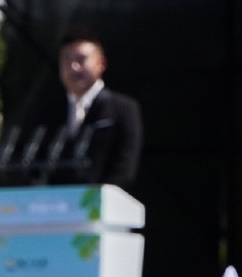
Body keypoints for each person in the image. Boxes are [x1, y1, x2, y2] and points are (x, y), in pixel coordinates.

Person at [8, 33, 142, 188]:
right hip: (54, 205)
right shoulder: (48, 112)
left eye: (81, 59)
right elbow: (33, 164)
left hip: (101, 204)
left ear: (101, 64)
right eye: (66, 60)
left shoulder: (123, 108)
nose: (73, 67)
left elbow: (124, 169)